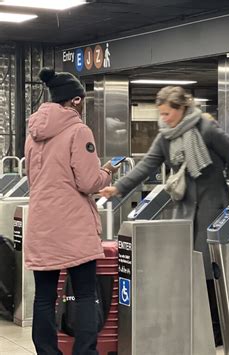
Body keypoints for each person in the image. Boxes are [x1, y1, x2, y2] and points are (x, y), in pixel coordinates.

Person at [99, 86, 229, 345]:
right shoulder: (166, 137)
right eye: (161, 114)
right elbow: (146, 165)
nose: (164, 119)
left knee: (209, 269)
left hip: (214, 208)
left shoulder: (208, 130)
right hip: (185, 210)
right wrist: (118, 187)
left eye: (167, 113)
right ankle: (194, 322)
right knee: (187, 267)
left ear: (182, 109)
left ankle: (216, 328)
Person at [25, 67, 119, 355]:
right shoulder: (79, 131)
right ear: (76, 100)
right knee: (85, 295)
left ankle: (46, 351)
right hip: (73, 226)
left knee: (44, 297)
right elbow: (88, 182)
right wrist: (106, 172)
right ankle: (85, 352)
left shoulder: (33, 132)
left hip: (41, 224)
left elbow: (32, 177)